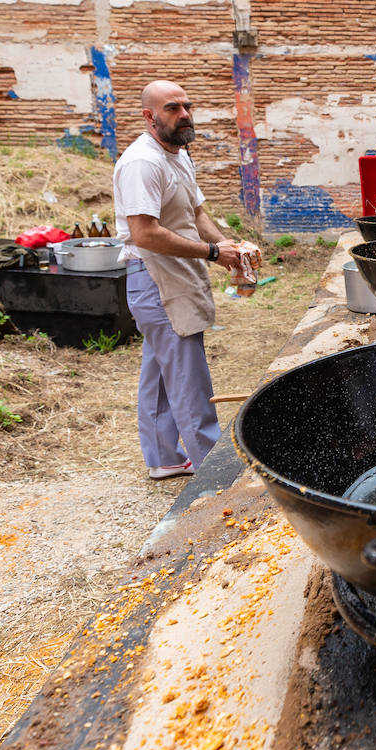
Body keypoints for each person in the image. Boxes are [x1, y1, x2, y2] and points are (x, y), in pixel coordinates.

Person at [113, 80, 249, 480]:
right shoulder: (143, 163)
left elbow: (197, 213)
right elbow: (144, 233)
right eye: (172, 108)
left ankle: (164, 459)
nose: (184, 114)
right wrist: (211, 253)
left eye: (187, 106)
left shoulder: (178, 155)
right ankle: (212, 471)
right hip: (156, 279)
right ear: (149, 116)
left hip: (176, 274)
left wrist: (228, 246)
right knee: (189, 378)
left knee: (160, 372)